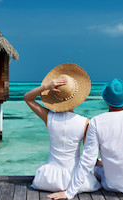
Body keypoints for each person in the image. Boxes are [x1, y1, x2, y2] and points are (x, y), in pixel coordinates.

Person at [24, 63, 100, 193]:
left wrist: (45, 87)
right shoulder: (85, 122)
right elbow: (88, 156)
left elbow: (28, 98)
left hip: (48, 180)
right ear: (77, 97)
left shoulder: (49, 117)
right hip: (76, 180)